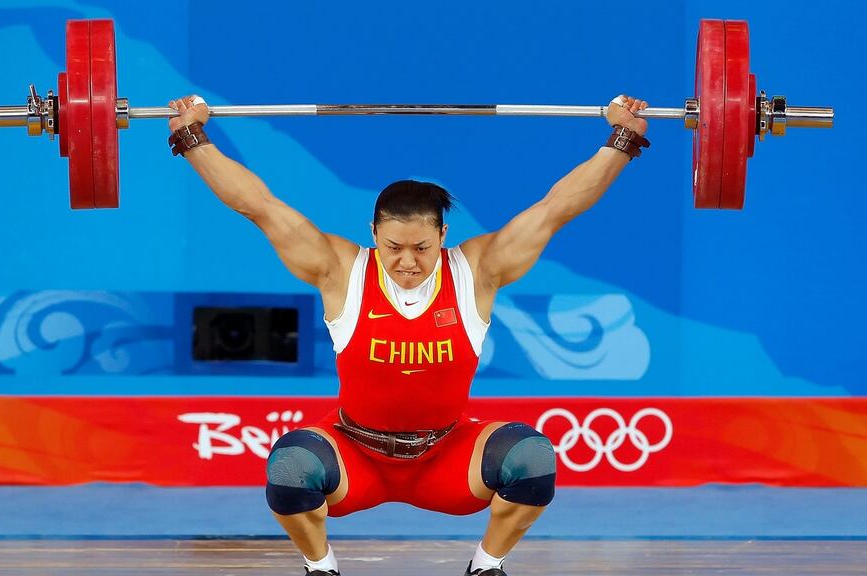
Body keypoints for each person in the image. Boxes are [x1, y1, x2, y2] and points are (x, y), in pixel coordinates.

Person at [167, 93, 650, 576]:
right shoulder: (341, 270)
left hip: (449, 459)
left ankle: (486, 567)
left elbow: (557, 208)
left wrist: (623, 137)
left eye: (422, 247)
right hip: (354, 457)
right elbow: (259, 206)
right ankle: (321, 569)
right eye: (393, 246)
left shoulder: (476, 271)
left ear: (442, 235)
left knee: (532, 457)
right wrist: (191, 136)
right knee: (290, 468)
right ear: (373, 232)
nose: (407, 262)